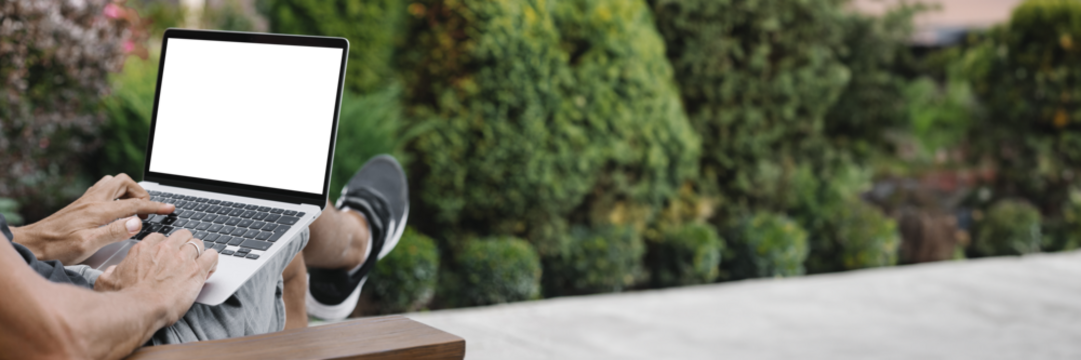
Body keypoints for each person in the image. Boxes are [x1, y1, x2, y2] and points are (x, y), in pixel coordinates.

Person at [0, 155, 409, 359]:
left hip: (43, 282)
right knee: (281, 211)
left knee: (258, 219)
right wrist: (149, 296)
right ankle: (358, 242)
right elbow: (59, 340)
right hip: (114, 330)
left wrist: (33, 238)